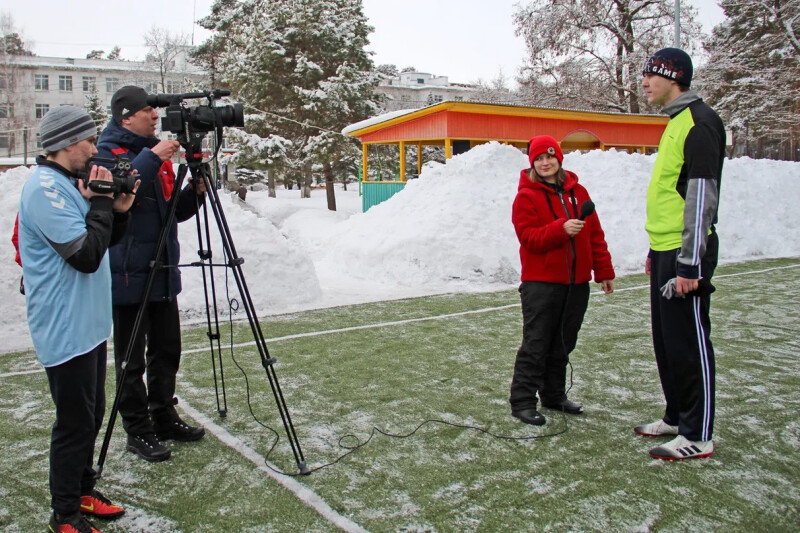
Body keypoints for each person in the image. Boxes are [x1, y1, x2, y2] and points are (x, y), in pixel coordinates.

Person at [18, 106, 138, 532]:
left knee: (91, 414)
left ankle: (83, 489)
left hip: (87, 326)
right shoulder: (43, 189)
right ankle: (63, 513)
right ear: (67, 143)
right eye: (88, 140)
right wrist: (103, 202)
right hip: (64, 327)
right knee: (73, 423)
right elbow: (86, 257)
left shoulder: (66, 182)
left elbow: (101, 241)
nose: (94, 148)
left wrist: (117, 209)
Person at [96, 86, 206, 463]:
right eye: (147, 112)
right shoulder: (107, 152)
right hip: (128, 273)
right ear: (125, 116)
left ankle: (163, 416)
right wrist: (151, 156)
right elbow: (117, 193)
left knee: (167, 351)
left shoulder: (153, 154)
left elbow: (171, 211)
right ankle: (137, 430)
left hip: (162, 270)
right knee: (131, 359)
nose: (155, 117)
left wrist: (197, 190)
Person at [635, 48, 725, 461]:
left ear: (673, 77)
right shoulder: (673, 123)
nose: (645, 82)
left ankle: (698, 433)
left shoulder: (700, 123)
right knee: (667, 341)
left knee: (689, 341)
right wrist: (658, 249)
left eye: (651, 75)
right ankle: (676, 415)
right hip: (666, 249)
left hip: (687, 254)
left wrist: (689, 262)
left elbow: (700, 195)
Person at [509, 135, 615, 426]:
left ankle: (554, 395)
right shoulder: (526, 197)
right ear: (533, 162)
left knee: (564, 343)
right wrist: (560, 229)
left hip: (576, 284)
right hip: (541, 284)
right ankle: (522, 402)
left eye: (550, 157)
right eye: (539, 158)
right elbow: (528, 238)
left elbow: (595, 235)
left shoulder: (578, 191)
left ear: (559, 158)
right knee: (536, 344)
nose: (545, 163)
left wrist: (603, 271)